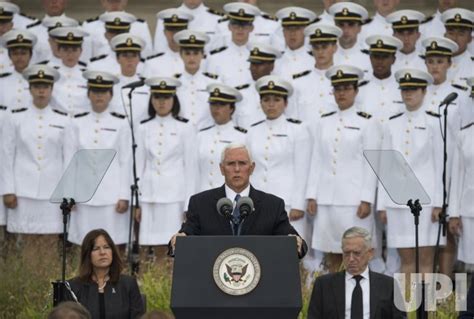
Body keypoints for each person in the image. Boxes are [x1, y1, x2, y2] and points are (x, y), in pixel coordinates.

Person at [170, 143, 307, 259]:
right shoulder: (200, 203)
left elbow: (290, 237)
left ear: (252, 168)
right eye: (230, 164)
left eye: (242, 163)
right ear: (222, 169)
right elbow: (189, 231)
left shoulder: (272, 205)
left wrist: (296, 242)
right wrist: (180, 238)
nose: (237, 169)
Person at [306, 65, 379, 273]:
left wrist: (367, 198)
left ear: (356, 91)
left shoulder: (367, 122)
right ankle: (335, 297)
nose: (342, 93)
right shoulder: (324, 121)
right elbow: (317, 159)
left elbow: (371, 163)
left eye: (346, 88)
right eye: (337, 89)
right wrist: (312, 194)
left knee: (355, 252)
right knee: (331, 252)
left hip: (353, 200)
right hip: (327, 198)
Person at [377, 68, 443, 280]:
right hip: (397, 201)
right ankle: (405, 312)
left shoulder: (435, 121)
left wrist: (440, 203)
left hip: (426, 199)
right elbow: (385, 165)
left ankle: (427, 311)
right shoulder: (392, 123)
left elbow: (440, 165)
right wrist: (381, 204)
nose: (408, 94)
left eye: (413, 89)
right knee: (406, 262)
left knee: (425, 262)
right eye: (404, 89)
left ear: (424, 91)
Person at [2, 64, 70, 260]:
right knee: (28, 241)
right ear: (30, 88)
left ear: (51, 89)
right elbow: (6, 155)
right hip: (23, 190)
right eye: (37, 86)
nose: (41, 90)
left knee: (50, 240)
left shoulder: (63, 119)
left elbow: (68, 158)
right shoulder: (15, 117)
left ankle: (47, 285)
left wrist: (68, 193)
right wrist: (8, 190)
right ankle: (30, 285)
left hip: (53, 191)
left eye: (45, 86)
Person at [246, 75, 312, 255]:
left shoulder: (297, 130)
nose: (271, 104)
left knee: (293, 251)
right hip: (258, 202)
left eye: (276, 100)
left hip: (288, 202)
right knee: (260, 251)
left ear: (286, 103)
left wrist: (298, 204)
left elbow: (302, 169)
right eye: (266, 100)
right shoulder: (252, 130)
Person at [65, 70, 131, 247]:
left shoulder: (121, 122)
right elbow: (69, 160)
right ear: (88, 94)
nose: (99, 96)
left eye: (103, 92)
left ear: (110, 95)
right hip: (83, 194)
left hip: (111, 195)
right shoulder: (76, 122)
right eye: (95, 91)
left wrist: (124, 195)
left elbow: (126, 161)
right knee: (83, 243)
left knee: (113, 243)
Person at [135, 77, 196, 261]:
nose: (161, 102)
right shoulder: (143, 127)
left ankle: (166, 285)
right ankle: (148, 285)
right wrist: (137, 201)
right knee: (145, 245)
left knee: (170, 245)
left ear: (173, 100)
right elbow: (138, 166)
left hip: (174, 197)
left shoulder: (185, 127)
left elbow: (191, 168)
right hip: (149, 195)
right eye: (157, 97)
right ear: (151, 100)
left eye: (166, 97)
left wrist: (188, 204)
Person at [307, 226, 405, 319]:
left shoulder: (389, 285)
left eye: (357, 253)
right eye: (346, 253)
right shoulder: (324, 285)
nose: (351, 259)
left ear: (370, 253)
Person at [68, 229, 145, 319]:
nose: (102, 252)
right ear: (87, 254)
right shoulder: (74, 287)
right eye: (96, 248)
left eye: (106, 247)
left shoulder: (128, 284)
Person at [195, 83, 247, 192]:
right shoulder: (201, 136)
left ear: (231, 108)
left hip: (230, 196)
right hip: (202, 195)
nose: (216, 109)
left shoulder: (242, 137)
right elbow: (193, 171)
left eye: (222, 105)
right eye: (213, 104)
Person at [173, 29, 218, 129]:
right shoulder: (174, 83)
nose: (192, 58)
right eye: (187, 53)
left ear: (202, 55)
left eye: (196, 53)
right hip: (181, 134)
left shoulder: (213, 83)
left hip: (207, 134)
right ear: (181, 55)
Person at [206, 2, 259, 88]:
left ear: (251, 28)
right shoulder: (215, 58)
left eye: (244, 25)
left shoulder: (259, 57)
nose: (240, 29)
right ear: (229, 26)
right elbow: (211, 87)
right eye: (236, 25)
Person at [234, 41, 281, 129]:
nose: (253, 68)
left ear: (271, 66)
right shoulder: (240, 93)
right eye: (252, 63)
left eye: (259, 64)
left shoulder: (282, 92)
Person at [48, 26, 90, 116]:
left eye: (74, 50)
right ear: (59, 51)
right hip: (58, 120)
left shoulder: (88, 74)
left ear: (81, 51)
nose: (70, 54)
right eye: (66, 50)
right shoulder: (50, 74)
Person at [144, 9, 192, 78]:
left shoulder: (198, 62)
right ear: (164, 32)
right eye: (171, 30)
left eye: (179, 30)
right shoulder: (152, 63)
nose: (175, 35)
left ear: (186, 33)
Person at [272, 6, 317, 81]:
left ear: (305, 32)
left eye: (297, 29)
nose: (292, 33)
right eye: (288, 29)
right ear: (283, 32)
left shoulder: (316, 60)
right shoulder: (274, 62)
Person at [329, 2, 372, 73]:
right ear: (335, 27)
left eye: (351, 25)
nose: (345, 30)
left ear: (359, 28)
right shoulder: (326, 55)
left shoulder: (370, 57)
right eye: (341, 25)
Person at [0, 29, 36, 110]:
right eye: (15, 53)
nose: (19, 57)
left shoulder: (39, 80)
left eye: (23, 53)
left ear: (30, 55)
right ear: (10, 56)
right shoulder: (2, 81)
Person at [441, 8, 473, 84]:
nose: (455, 38)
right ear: (445, 36)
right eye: (451, 33)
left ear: (470, 38)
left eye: (461, 34)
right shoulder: (431, 64)